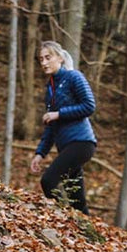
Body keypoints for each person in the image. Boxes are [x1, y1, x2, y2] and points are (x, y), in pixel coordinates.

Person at [29, 40, 97, 214]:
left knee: (48, 181)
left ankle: (64, 221)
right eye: (41, 59)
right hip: (66, 146)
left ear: (59, 58)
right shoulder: (50, 89)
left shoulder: (74, 77)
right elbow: (50, 127)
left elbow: (89, 105)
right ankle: (88, 234)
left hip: (81, 143)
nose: (44, 63)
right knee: (77, 200)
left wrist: (59, 114)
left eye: (48, 57)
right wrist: (39, 154)